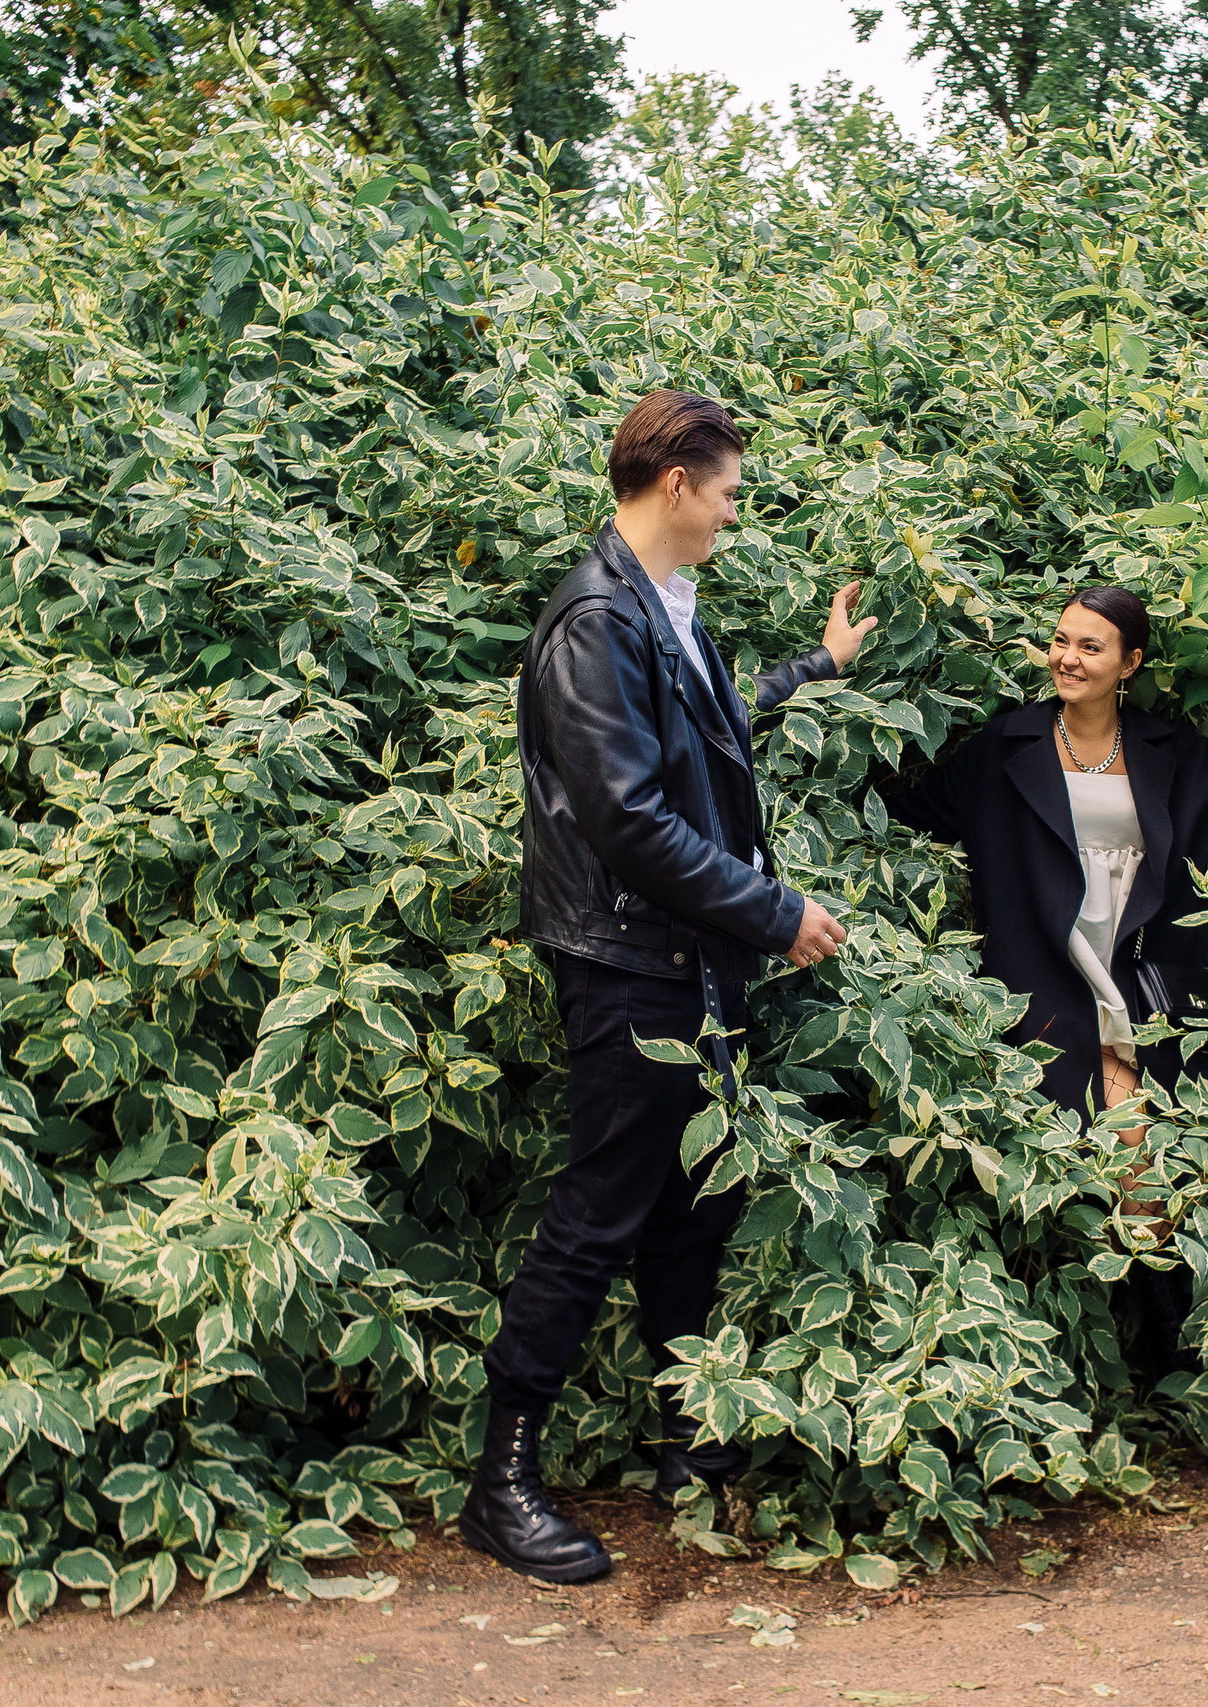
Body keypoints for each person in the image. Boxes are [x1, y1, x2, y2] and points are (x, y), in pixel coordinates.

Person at [462, 390, 878, 1584]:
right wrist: (777, 913)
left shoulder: (659, 608)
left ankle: (687, 1441)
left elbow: (699, 736)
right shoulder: (595, 618)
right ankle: (501, 1485)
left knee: (692, 1204)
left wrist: (814, 665)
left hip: (686, 959)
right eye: (731, 493)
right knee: (598, 1214)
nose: (733, 516)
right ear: (678, 483)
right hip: (632, 960)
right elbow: (631, 819)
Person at [885, 586, 1208, 1365]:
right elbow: (906, 812)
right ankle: (1150, 1360)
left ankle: (1165, 1357)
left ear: (1130, 664)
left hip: (1144, 977)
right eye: (1060, 640)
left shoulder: (1174, 754)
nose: (1067, 658)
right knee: (1117, 1156)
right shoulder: (1003, 748)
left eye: (1090, 646)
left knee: (1147, 1158)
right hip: (1045, 978)